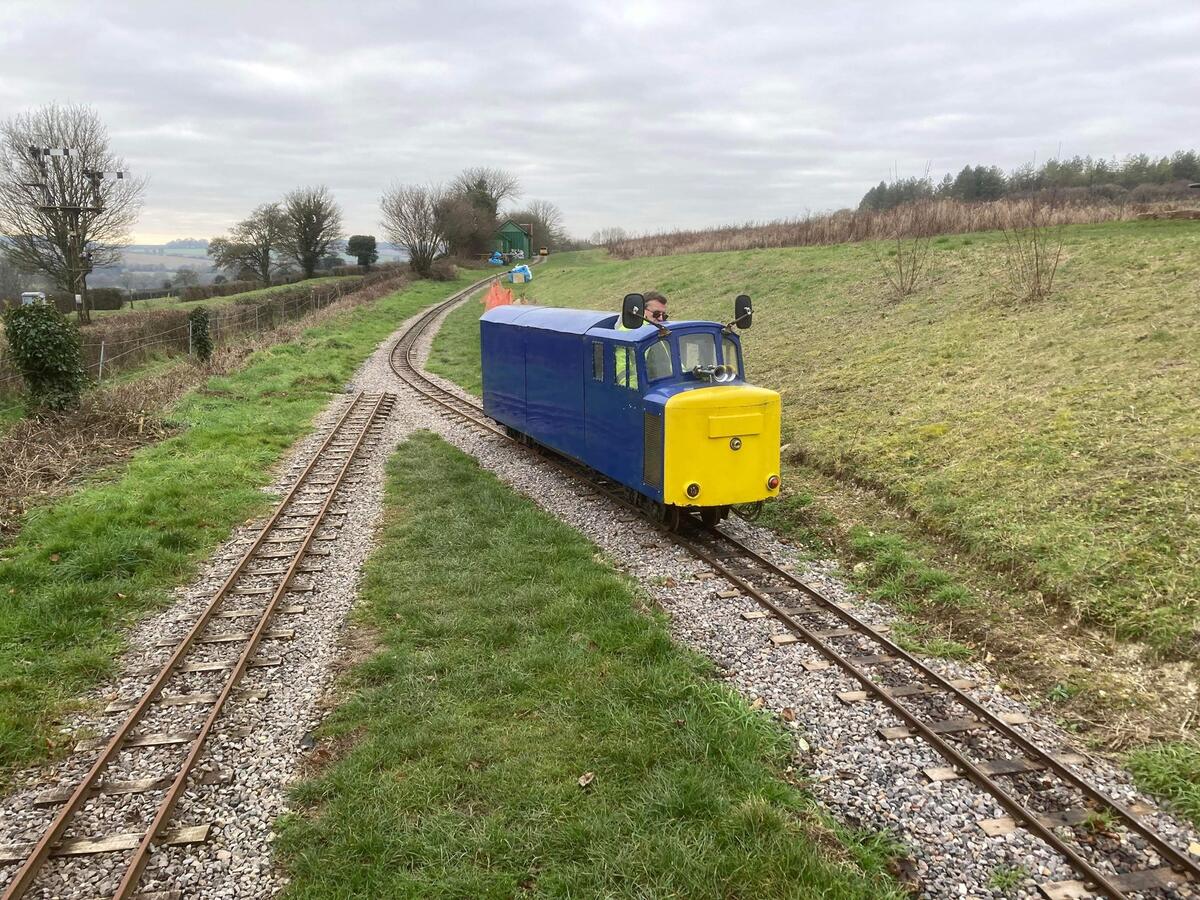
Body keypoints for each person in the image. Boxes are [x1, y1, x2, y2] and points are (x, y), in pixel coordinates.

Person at [614, 291, 668, 389]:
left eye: (664, 315)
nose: (661, 319)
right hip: (641, 390)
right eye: (656, 314)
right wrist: (632, 392)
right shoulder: (626, 334)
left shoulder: (661, 331)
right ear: (642, 310)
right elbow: (622, 369)